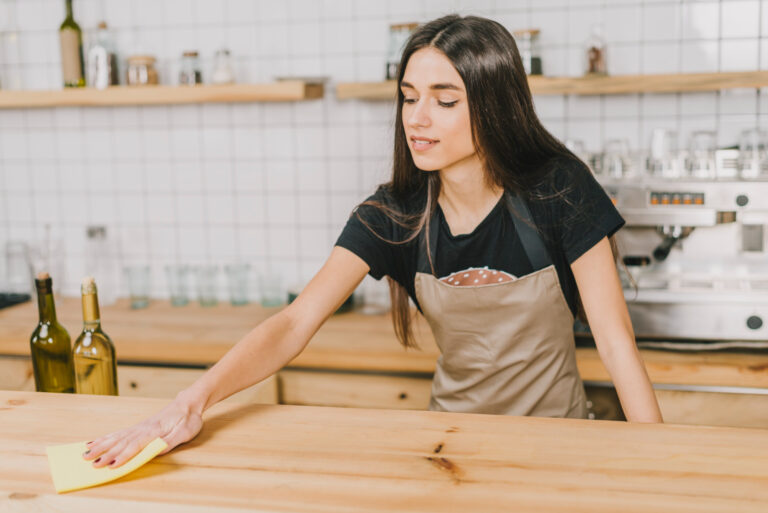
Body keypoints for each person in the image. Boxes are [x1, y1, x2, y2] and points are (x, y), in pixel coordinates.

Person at [83, 14, 662, 469]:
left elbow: (615, 345)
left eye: (444, 99)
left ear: (494, 104)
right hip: (451, 449)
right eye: (409, 96)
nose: (418, 118)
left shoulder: (559, 189)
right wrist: (192, 401)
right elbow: (293, 323)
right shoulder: (394, 213)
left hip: (564, 444)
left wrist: (660, 461)